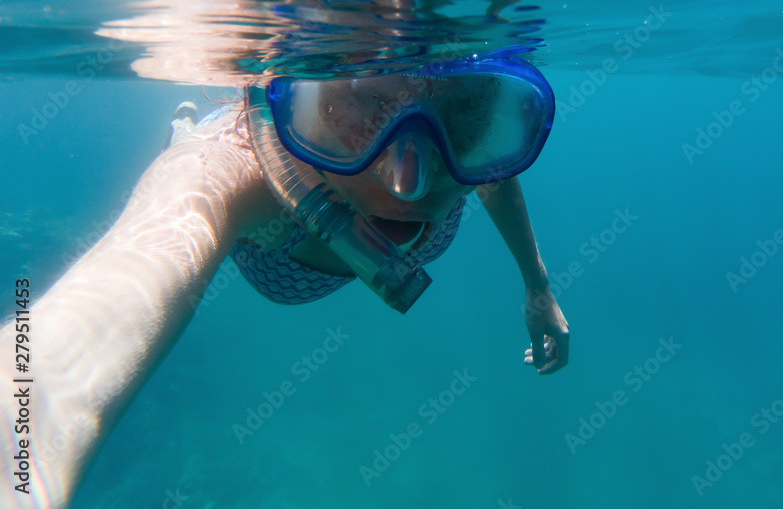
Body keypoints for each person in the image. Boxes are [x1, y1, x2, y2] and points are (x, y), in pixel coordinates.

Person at [0, 54, 568, 509]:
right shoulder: (225, 174)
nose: (407, 184)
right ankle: (184, 131)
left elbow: (495, 175)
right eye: (355, 112)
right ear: (290, 110)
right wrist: (20, 465)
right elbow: (71, 342)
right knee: (193, 155)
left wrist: (537, 286)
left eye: (464, 114)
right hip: (277, 259)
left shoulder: (474, 158)